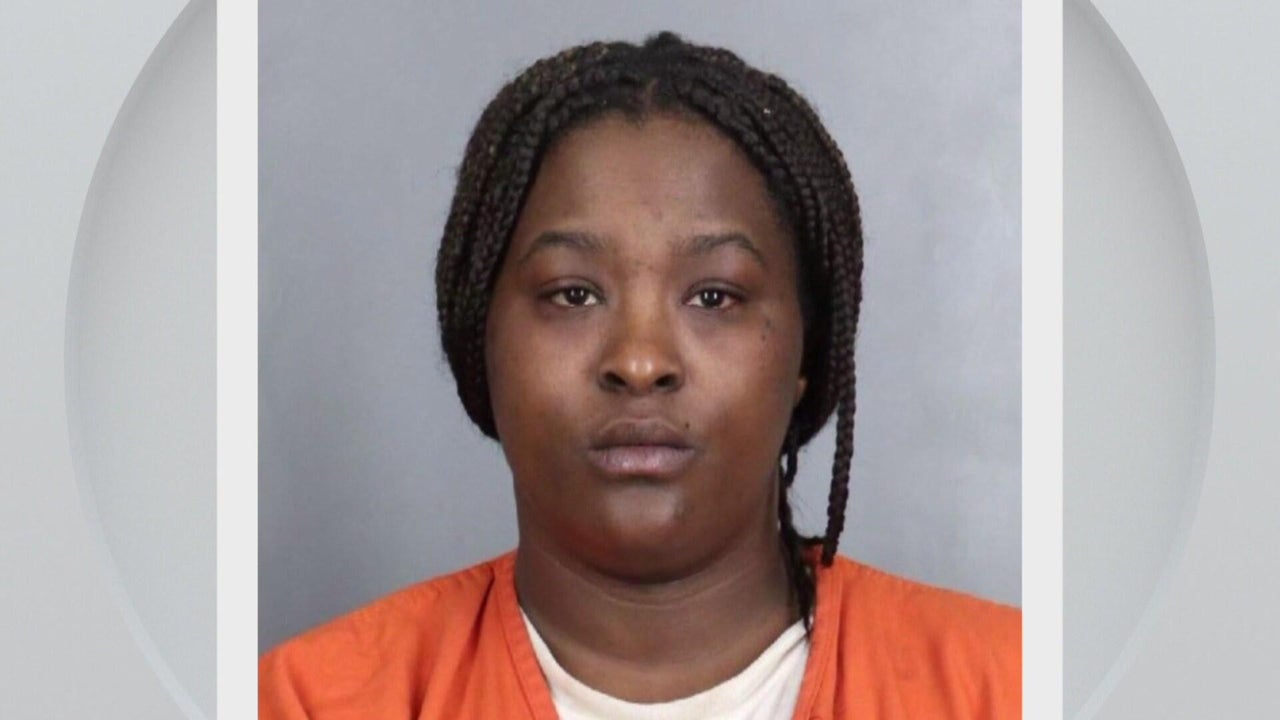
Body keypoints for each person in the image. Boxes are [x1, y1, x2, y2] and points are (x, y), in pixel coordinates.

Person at [259, 31, 1020, 719]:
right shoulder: (308, 702)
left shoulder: (1010, 689)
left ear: (806, 354)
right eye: (573, 294)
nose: (640, 361)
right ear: (479, 340)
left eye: (714, 297)